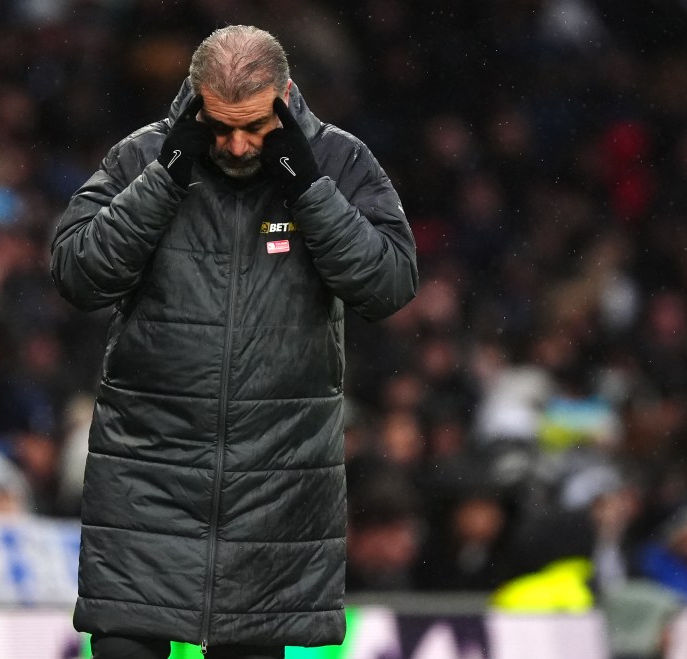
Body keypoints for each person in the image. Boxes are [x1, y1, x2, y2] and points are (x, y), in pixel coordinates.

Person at [50, 25, 417, 658]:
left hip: (274, 487)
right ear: (194, 99)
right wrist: (166, 177)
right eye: (220, 125)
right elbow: (78, 274)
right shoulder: (143, 158)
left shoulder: (338, 161)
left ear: (286, 93)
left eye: (254, 124)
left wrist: (309, 190)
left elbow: (388, 285)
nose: (238, 143)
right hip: (147, 479)